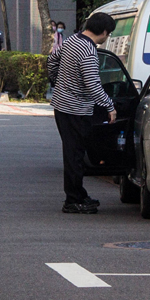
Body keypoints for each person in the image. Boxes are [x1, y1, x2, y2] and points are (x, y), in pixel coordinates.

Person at [46, 12, 117, 214]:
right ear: (103, 32)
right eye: (108, 33)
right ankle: (73, 200)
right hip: (76, 110)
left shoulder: (71, 41)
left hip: (61, 106)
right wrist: (109, 106)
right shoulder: (88, 50)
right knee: (75, 155)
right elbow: (93, 84)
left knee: (72, 152)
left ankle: (78, 193)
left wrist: (58, 82)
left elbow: (52, 61)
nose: (107, 37)